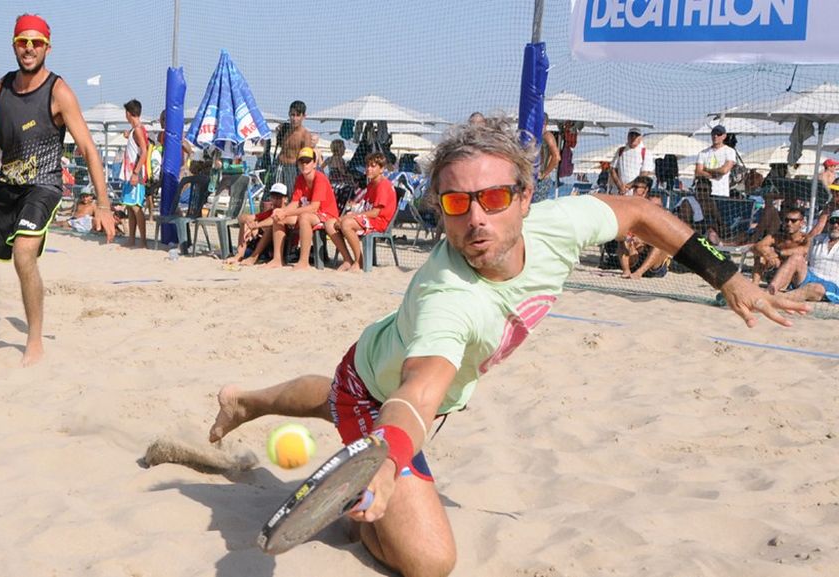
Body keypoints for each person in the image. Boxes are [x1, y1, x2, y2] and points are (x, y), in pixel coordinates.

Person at [208, 115, 805, 577]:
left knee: (339, 393)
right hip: (389, 397)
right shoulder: (450, 300)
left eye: (493, 198)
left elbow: (641, 213)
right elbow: (416, 396)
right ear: (440, 212)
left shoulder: (558, 226)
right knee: (430, 562)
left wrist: (726, 275)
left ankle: (246, 401)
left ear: (525, 197)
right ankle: (364, 518)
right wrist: (387, 465)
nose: (476, 218)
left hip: (378, 368)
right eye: (455, 203)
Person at [0, 13, 116, 367]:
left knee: (23, 254)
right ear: (14, 45)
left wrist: (104, 204)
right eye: (22, 41)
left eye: (36, 42)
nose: (29, 48)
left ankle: (34, 341)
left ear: (47, 47)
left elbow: (89, 150)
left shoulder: (58, 91)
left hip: (43, 186)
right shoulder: (2, 86)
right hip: (8, 184)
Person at [264, 147, 338, 270]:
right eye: (301, 161)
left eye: (307, 161)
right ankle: (277, 259)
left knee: (304, 218)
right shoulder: (300, 179)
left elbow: (314, 207)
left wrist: (287, 212)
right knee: (278, 217)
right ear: (297, 163)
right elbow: (294, 202)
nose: (304, 164)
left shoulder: (320, 179)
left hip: (326, 215)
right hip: (310, 213)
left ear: (314, 163)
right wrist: (283, 212)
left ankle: (303, 262)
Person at [325, 152, 397, 272]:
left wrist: (352, 216)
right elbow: (366, 207)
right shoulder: (372, 184)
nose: (369, 169)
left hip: (379, 222)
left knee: (346, 223)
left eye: (373, 166)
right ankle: (348, 259)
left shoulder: (383, 185)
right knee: (329, 223)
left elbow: (375, 213)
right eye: (367, 165)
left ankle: (359, 261)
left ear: (382, 169)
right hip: (368, 218)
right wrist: (353, 209)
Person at [768, 209, 839, 302]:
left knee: (816, 288)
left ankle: (776, 298)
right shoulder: (817, 239)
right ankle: (771, 289)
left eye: (838, 222)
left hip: (832, 285)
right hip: (811, 276)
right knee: (795, 258)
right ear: (828, 223)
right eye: (833, 221)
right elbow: (805, 257)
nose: (835, 225)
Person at [225, 182, 289, 265]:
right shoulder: (270, 212)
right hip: (268, 245)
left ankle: (253, 257)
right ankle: (239, 255)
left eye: (279, 197)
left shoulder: (286, 211)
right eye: (273, 197)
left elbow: (273, 220)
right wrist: (247, 222)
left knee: (270, 227)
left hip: (283, 245)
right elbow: (243, 217)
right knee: (246, 223)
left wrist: (256, 226)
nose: (276, 200)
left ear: (286, 199)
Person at [751, 206, 810, 286]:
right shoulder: (778, 237)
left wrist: (778, 253)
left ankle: (780, 289)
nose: (789, 223)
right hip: (775, 272)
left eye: (793, 221)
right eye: (786, 220)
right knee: (760, 255)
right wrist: (769, 255)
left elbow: (805, 250)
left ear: (802, 223)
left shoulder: (805, 239)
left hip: (795, 277)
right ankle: (754, 285)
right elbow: (756, 247)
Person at [120, 99, 149, 248]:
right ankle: (132, 238)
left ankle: (143, 241)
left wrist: (136, 173)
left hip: (135, 173)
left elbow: (144, 151)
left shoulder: (138, 129)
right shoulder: (135, 130)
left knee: (137, 207)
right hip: (130, 173)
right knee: (130, 207)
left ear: (129, 113)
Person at [276, 100, 314, 196]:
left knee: (290, 197)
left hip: (292, 168)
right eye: (292, 115)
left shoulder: (305, 135)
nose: (294, 118)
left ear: (303, 116)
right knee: (269, 198)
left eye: (297, 115)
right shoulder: (284, 129)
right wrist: (278, 133)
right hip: (278, 165)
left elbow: (306, 159)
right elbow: (282, 145)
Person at [694, 125, 737, 198]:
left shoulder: (730, 151)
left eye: (718, 134)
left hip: (721, 193)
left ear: (724, 136)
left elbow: (724, 170)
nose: (715, 136)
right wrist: (714, 174)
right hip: (705, 194)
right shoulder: (703, 153)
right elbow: (698, 172)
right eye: (713, 134)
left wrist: (706, 169)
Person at [609, 127, 654, 194]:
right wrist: (619, 185)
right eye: (631, 135)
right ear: (627, 137)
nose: (633, 137)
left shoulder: (646, 152)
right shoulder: (620, 150)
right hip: (618, 191)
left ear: (640, 138)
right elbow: (612, 169)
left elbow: (644, 174)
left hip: (635, 193)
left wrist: (629, 186)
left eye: (636, 135)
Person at [534, 114, 561, 203]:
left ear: (544, 123)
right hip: (535, 178)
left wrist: (545, 173)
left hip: (542, 180)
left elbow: (556, 157)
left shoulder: (547, 136)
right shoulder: (536, 136)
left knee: (536, 208)